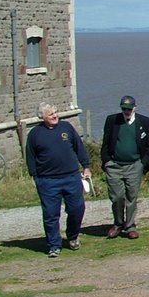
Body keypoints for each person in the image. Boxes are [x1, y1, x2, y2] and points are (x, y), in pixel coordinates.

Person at [24, 102, 92, 257]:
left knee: (77, 208)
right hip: (47, 181)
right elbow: (30, 157)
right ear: (42, 117)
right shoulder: (35, 134)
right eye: (51, 114)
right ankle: (54, 245)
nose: (55, 116)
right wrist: (35, 177)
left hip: (71, 177)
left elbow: (79, 147)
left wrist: (86, 166)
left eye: (55, 112)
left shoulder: (66, 127)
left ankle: (73, 236)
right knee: (51, 214)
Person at [101, 95, 149, 239]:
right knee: (117, 197)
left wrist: (143, 163)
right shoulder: (112, 120)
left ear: (134, 107)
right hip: (114, 165)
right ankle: (118, 224)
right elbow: (105, 142)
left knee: (132, 197)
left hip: (134, 165)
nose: (126, 111)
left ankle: (130, 226)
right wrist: (106, 161)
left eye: (129, 109)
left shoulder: (144, 121)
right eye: (124, 109)